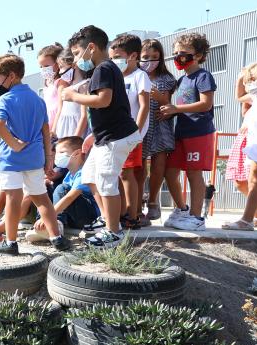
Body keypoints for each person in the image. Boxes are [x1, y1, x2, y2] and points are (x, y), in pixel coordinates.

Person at [62, 25, 143, 248]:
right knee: (89, 176)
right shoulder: (103, 69)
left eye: (77, 53)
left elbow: (103, 100)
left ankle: (114, 232)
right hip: (105, 137)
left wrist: (72, 96)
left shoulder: (103, 69)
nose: (77, 59)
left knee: (107, 182)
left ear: (91, 47)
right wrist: (92, 136)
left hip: (116, 137)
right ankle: (108, 218)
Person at [0, 53, 71, 255]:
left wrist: (13, 144)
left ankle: (11, 242)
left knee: (13, 199)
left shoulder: (5, 99)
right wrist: (49, 158)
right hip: (34, 157)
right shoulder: (37, 99)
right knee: (41, 198)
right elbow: (45, 131)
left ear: (12, 76)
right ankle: (56, 238)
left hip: (11, 159)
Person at [159, 32, 217, 231]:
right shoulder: (182, 79)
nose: (178, 57)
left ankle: (196, 217)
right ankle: (182, 210)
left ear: (199, 55)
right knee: (170, 172)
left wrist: (176, 109)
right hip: (181, 133)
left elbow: (205, 104)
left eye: (183, 53)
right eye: (175, 53)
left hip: (199, 132)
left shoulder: (203, 76)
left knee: (194, 173)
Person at [109, 34, 151, 230]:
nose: (114, 61)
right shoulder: (116, 76)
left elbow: (144, 106)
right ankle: (120, 212)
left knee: (127, 174)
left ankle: (132, 215)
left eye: (118, 56)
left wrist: (136, 131)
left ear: (133, 56)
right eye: (112, 57)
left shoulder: (140, 76)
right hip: (114, 134)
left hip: (131, 135)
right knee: (116, 174)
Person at [223, 62, 257, 231]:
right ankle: (250, 218)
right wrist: (241, 79)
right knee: (252, 182)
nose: (250, 83)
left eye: (253, 79)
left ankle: (247, 220)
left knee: (254, 182)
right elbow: (240, 97)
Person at [29, 136, 100, 239]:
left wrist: (49, 216)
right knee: (45, 189)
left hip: (89, 219)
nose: (57, 156)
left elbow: (69, 197)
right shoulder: (69, 174)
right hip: (75, 217)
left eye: (61, 152)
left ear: (77, 153)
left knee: (62, 188)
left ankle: (54, 224)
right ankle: (42, 225)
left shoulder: (84, 172)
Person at [142, 38, 177, 222]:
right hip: (140, 125)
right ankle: (137, 201)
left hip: (160, 124)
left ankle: (153, 201)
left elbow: (169, 105)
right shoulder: (136, 75)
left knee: (158, 164)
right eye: (146, 57)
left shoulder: (167, 79)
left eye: (155, 57)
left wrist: (160, 98)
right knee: (138, 165)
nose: (150, 61)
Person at [52, 50, 89, 139]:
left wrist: (76, 139)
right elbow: (60, 111)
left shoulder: (84, 85)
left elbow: (84, 116)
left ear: (73, 65)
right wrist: (54, 131)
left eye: (61, 67)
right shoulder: (67, 87)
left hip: (76, 132)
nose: (60, 72)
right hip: (63, 131)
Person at [38, 43, 65, 134]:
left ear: (57, 64)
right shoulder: (47, 84)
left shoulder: (61, 82)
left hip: (57, 126)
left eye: (46, 66)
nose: (43, 69)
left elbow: (61, 108)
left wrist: (54, 129)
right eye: (41, 67)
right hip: (46, 125)